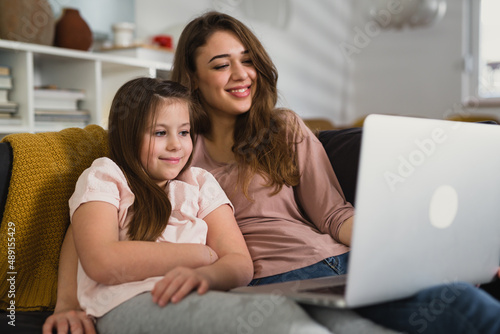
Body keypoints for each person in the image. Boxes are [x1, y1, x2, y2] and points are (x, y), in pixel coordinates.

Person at [44, 11, 500, 334]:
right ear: (193, 78)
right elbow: (92, 221)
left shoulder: (284, 128)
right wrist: (67, 303)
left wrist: (418, 255)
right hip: (266, 283)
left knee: (459, 298)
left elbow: (336, 217)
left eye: (247, 59)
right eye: (221, 65)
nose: (242, 74)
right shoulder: (176, 147)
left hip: (340, 265)